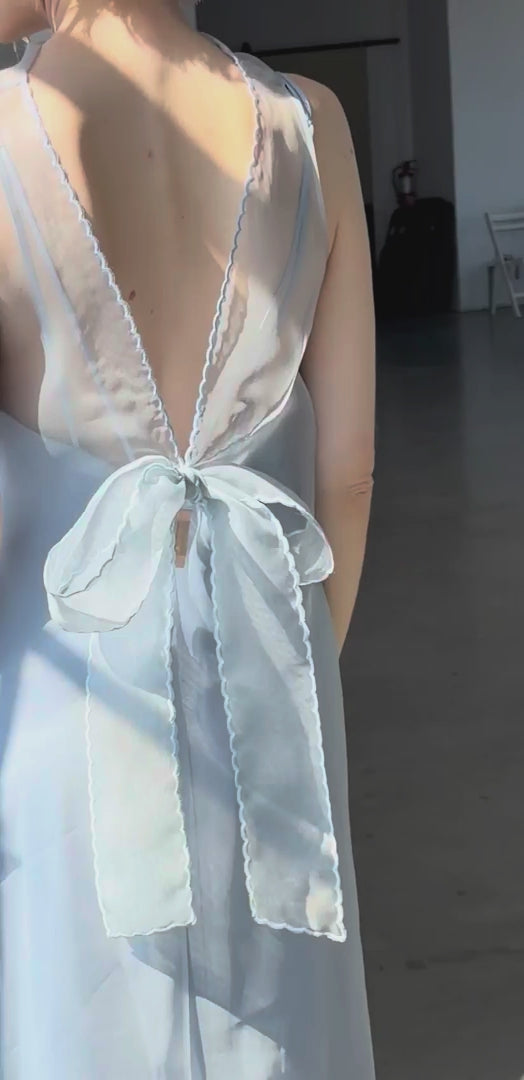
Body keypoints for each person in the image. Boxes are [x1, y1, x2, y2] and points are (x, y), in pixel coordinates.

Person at [0, 2, 376, 1077]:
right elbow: (348, 471)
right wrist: (297, 670)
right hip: (271, 709)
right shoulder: (310, 124)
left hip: (62, 714)